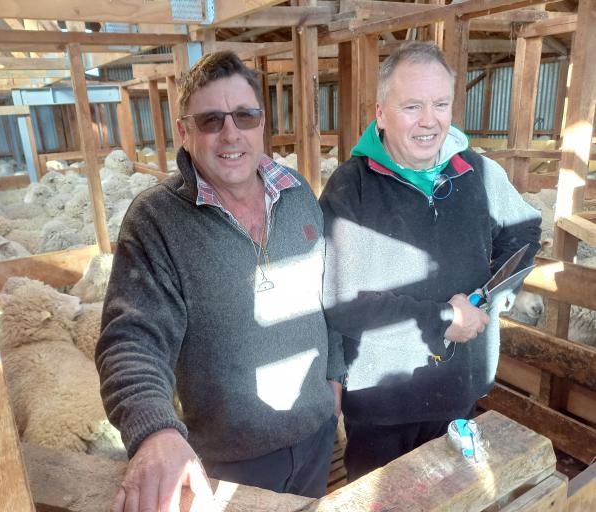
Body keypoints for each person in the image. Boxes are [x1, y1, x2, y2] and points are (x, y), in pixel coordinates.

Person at [96, 51, 346, 512]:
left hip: (315, 438)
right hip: (229, 464)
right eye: (211, 120)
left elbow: (327, 294)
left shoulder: (296, 193)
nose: (231, 133)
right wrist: (156, 432)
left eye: (245, 116)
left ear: (262, 123)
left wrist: (335, 376)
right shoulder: (156, 220)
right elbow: (131, 339)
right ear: (184, 131)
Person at [319, 42, 542, 482]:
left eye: (441, 104)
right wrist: (443, 318)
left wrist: (491, 299)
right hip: (381, 404)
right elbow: (341, 301)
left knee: (454, 496)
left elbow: (525, 229)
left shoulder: (476, 172)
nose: (429, 120)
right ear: (381, 112)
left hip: (459, 392)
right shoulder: (352, 188)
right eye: (412, 106)